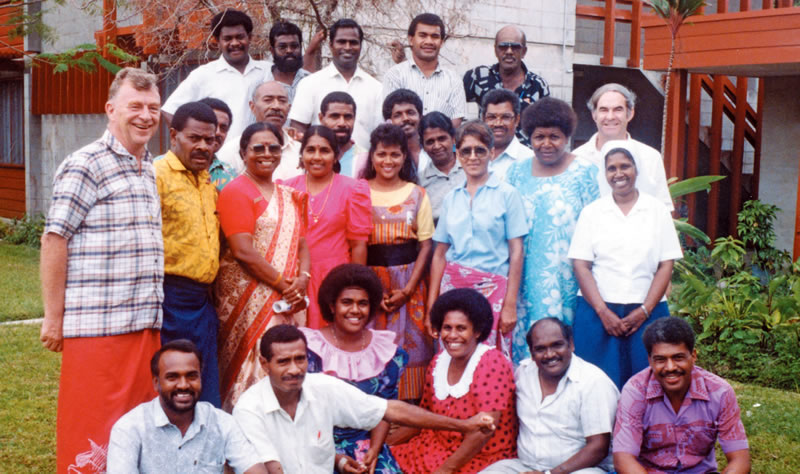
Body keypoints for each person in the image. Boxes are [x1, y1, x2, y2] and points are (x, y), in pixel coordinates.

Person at [40, 67, 164, 473]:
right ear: (111, 109)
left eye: (153, 107)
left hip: (143, 324)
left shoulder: (147, 168)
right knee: (92, 434)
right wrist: (53, 319)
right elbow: (54, 239)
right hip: (97, 328)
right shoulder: (85, 164)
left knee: (136, 433)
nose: (145, 115)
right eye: (135, 106)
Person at [233, 324, 498, 474]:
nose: (294, 369)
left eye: (300, 359)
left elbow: (389, 410)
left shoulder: (322, 387)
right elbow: (271, 469)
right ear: (264, 364)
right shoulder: (249, 408)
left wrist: (463, 426)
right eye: (284, 362)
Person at [568, 142, 683, 389]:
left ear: (636, 169)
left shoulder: (656, 211)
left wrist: (644, 310)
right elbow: (581, 265)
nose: (618, 173)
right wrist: (603, 312)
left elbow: (666, 264)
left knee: (648, 383)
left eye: (625, 166)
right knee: (596, 384)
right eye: (611, 168)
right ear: (605, 173)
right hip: (598, 311)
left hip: (648, 310)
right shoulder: (592, 213)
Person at [214, 121, 311, 411]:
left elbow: (303, 244)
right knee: (250, 369)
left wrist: (302, 280)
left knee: (285, 366)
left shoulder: (287, 193)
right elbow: (244, 252)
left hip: (287, 297)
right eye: (258, 148)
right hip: (249, 301)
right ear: (243, 153)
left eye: (273, 147)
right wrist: (286, 286)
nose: (266, 153)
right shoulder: (236, 191)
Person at [505, 97, 599, 365]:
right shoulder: (515, 173)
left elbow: (596, 231)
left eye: (554, 136)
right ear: (529, 138)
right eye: (539, 137)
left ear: (567, 136)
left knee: (567, 343)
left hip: (569, 279)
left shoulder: (585, 172)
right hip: (524, 280)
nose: (546, 143)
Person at [428, 121, 527, 359]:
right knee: (453, 351)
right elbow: (440, 254)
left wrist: (510, 303)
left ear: (491, 153)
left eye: (480, 150)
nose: (473, 157)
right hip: (453, 288)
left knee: (488, 357)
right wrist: (433, 304)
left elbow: (516, 251)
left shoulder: (507, 194)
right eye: (466, 151)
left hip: (493, 289)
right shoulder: (452, 198)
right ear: (458, 155)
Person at [391, 289, 517, 473]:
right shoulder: (438, 361)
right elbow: (423, 417)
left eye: (461, 328)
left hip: (478, 458)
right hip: (432, 449)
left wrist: (444, 471)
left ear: (477, 331)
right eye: (447, 328)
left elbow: (484, 430)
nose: (452, 336)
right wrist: (381, 446)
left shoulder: (492, 362)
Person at [300, 264, 409, 473]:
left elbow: (386, 409)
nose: (355, 310)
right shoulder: (308, 347)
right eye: (346, 302)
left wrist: (375, 450)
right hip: (316, 445)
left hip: (366, 446)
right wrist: (335, 458)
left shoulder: (386, 352)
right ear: (332, 306)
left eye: (363, 304)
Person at [107, 340, 269, 473]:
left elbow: (253, 469)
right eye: (172, 377)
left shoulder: (222, 423)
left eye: (191, 376)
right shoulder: (130, 428)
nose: (183, 385)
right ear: (156, 383)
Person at [613, 317, 751, 473]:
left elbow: (740, 461)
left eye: (678, 357)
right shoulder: (635, 391)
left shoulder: (720, 392)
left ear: (693, 356)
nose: (670, 367)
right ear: (650, 361)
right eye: (660, 359)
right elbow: (623, 459)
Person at [482, 318, 618, 474]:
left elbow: (598, 448)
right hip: (525, 466)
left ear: (571, 344)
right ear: (532, 353)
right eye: (540, 349)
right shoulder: (523, 373)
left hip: (579, 469)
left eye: (557, 345)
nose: (550, 354)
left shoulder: (593, 382)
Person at [155, 101, 222, 407]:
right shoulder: (156, 175)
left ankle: (206, 450)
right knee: (173, 380)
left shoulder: (207, 181)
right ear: (174, 135)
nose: (203, 146)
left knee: (204, 380)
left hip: (203, 300)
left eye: (210, 140)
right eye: (194, 138)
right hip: (169, 297)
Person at [362, 123, 435, 401]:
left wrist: (407, 290)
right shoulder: (359, 191)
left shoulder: (417, 194)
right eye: (382, 155)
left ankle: (408, 416)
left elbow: (426, 245)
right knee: (370, 343)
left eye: (395, 155)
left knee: (412, 347)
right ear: (372, 157)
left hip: (410, 283)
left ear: (404, 157)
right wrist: (373, 289)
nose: (388, 161)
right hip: (371, 283)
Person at [283, 127, 372, 328]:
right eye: (310, 150)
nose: (317, 157)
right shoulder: (285, 189)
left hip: (336, 279)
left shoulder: (353, 189)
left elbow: (358, 245)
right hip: (293, 280)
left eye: (324, 150)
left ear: (336, 155)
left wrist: (354, 288)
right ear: (301, 154)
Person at [162, 9, 270, 141]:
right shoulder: (204, 74)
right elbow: (170, 110)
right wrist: (191, 142)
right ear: (217, 42)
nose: (235, 43)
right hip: (218, 159)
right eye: (227, 39)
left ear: (250, 37)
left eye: (240, 37)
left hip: (259, 154)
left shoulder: (267, 70)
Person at [572, 83, 673, 210]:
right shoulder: (577, 158)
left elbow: (663, 210)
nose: (610, 117)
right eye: (603, 110)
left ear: (630, 114)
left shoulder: (650, 157)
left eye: (617, 109)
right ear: (594, 115)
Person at [288, 19, 382, 149]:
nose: (348, 47)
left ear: (360, 46)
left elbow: (380, 135)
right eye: (341, 42)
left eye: (353, 42)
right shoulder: (310, 83)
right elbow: (297, 130)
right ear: (331, 44)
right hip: (319, 164)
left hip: (361, 166)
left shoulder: (376, 88)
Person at [463, 25, 550, 146]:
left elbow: (546, 128)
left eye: (515, 47)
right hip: (488, 157)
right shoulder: (478, 77)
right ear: (495, 50)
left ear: (524, 51)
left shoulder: (538, 85)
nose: (509, 51)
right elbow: (453, 107)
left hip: (524, 159)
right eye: (503, 47)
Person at [382, 13, 466, 127]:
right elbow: (390, 118)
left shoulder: (454, 80)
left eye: (435, 36)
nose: (429, 41)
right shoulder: (395, 75)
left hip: (439, 144)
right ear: (411, 40)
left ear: (441, 42)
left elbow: (456, 122)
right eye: (423, 35)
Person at [218, 81, 302, 179]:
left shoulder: (300, 150)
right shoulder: (232, 150)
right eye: (268, 100)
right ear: (252, 106)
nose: (276, 106)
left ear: (289, 108)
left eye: (282, 101)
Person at [353, 88, 431, 179]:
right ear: (389, 121)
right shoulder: (382, 157)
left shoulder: (434, 150)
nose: (405, 118)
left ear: (420, 117)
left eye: (410, 113)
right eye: (398, 115)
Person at [417, 112, 465, 223]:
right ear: (423, 146)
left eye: (442, 139)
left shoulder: (471, 168)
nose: (437, 146)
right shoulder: (420, 183)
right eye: (430, 142)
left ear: (453, 139)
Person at [480, 88, 533, 181]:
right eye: (491, 117)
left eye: (505, 117)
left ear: (517, 120)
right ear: (483, 119)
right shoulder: (471, 156)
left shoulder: (530, 161)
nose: (498, 124)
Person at [264, 21, 320, 103]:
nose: (289, 51)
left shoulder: (312, 81)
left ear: (300, 47)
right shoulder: (262, 82)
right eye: (282, 47)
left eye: (294, 46)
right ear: (272, 51)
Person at [317, 91, 364, 178]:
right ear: (321, 118)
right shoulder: (309, 156)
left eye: (348, 117)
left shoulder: (365, 160)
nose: (342, 123)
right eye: (335, 116)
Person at [198, 97, 238, 190]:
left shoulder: (229, 173)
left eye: (223, 128)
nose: (218, 132)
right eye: (213, 125)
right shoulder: (160, 168)